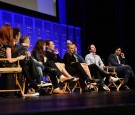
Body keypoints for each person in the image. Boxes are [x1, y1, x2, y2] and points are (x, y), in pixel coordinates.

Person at [0, 24, 25, 97]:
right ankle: (19, 92)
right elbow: (9, 60)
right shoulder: (7, 44)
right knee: (20, 67)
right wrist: (19, 58)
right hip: (4, 64)